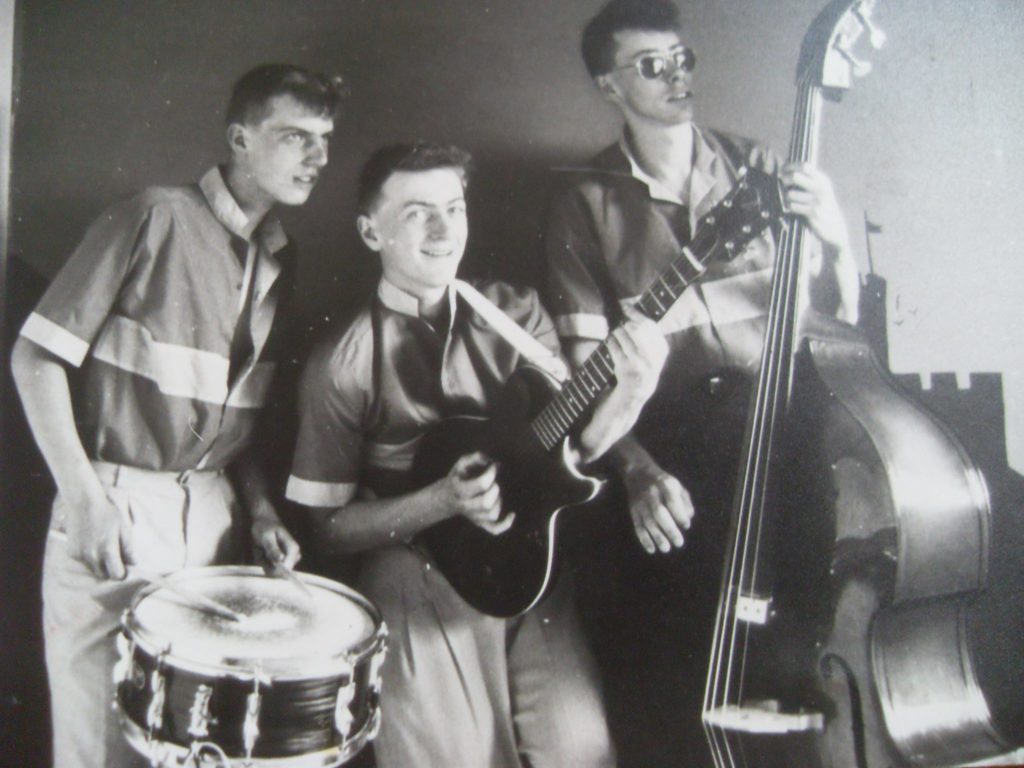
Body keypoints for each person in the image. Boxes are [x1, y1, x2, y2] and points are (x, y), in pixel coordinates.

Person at [544, 1, 861, 765]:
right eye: (651, 65)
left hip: (782, 430)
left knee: (797, 651)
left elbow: (842, 321)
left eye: (682, 58)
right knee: (678, 674)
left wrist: (836, 235)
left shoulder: (755, 167)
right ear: (608, 86)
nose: (677, 76)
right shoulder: (583, 205)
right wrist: (640, 473)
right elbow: (590, 387)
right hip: (672, 451)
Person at [285, 141, 669, 768]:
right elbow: (324, 531)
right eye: (416, 213)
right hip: (419, 577)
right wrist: (441, 501)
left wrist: (630, 394)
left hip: (531, 565)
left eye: (454, 208)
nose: (443, 230)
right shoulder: (342, 361)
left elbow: (570, 456)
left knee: (583, 754)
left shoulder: (516, 312)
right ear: (369, 231)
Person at [10, 63, 342, 768]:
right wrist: (86, 500)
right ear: (240, 139)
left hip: (215, 524)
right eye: (296, 136)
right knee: (102, 752)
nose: (318, 156)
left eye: (325, 138)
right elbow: (34, 360)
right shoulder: (154, 214)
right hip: (115, 508)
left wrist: (258, 512)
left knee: (195, 754)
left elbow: (233, 422)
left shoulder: (281, 258)